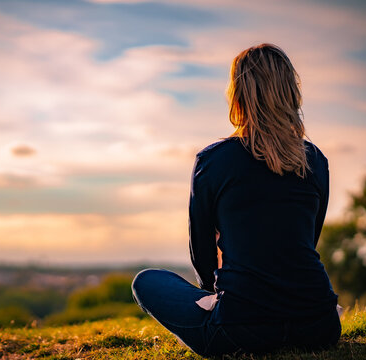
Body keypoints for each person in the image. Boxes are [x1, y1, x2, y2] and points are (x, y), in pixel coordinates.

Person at [131, 43, 341, 357]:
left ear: (238, 93)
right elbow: (306, 242)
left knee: (146, 281)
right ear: (291, 94)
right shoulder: (315, 161)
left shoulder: (214, 160)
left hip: (239, 330)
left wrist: (216, 294)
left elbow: (202, 251)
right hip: (319, 326)